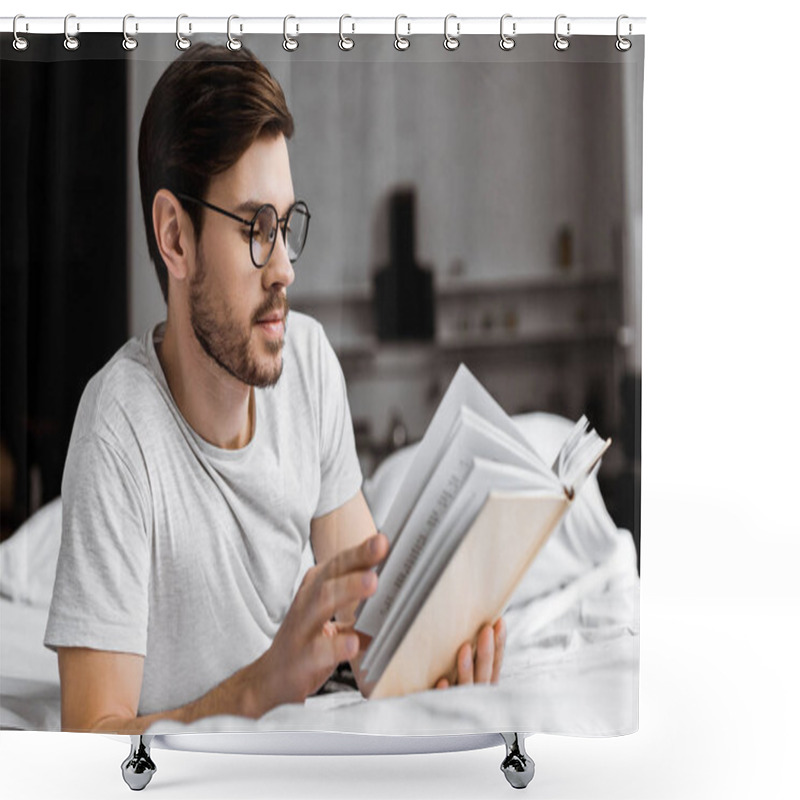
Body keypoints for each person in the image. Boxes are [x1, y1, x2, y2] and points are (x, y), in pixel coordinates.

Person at [44, 43, 505, 735]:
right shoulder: (117, 428)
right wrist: (260, 690)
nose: (285, 269)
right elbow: (89, 736)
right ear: (175, 237)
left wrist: (439, 659)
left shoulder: (309, 361)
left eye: (285, 227)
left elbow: (366, 623)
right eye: (257, 230)